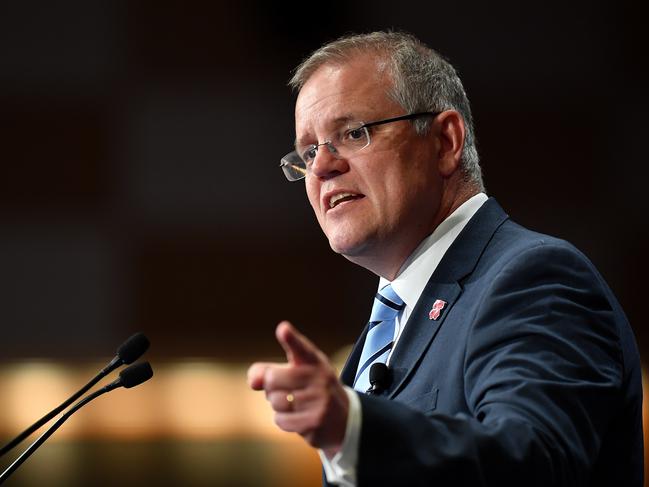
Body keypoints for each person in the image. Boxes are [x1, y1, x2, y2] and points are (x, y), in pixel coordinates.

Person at [247, 31, 643, 486]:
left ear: (445, 141)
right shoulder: (386, 330)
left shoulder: (534, 279)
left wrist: (355, 428)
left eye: (353, 133)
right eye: (309, 151)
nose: (320, 167)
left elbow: (531, 463)